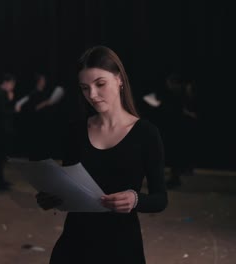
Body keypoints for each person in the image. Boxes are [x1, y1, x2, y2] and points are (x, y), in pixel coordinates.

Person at [36, 46, 168, 263]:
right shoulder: (75, 132)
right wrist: (53, 196)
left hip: (122, 247)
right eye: (85, 88)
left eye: (100, 84)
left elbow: (160, 199)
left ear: (119, 79)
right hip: (74, 245)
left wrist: (135, 199)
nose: (92, 95)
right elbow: (71, 187)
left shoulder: (146, 133)